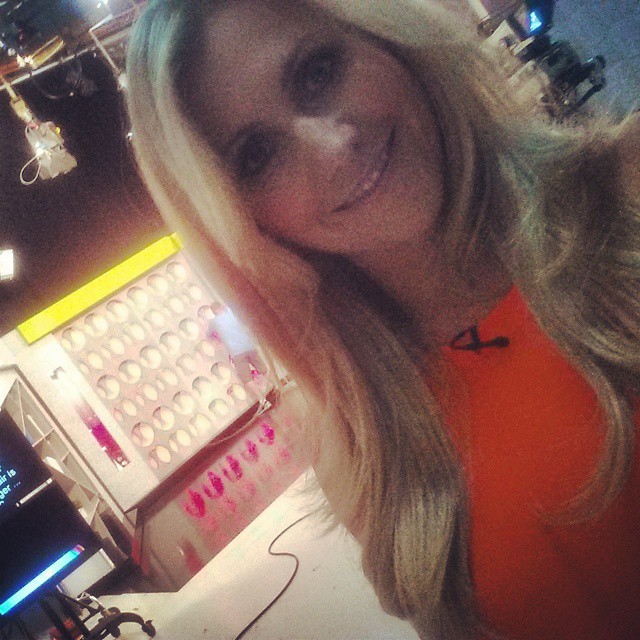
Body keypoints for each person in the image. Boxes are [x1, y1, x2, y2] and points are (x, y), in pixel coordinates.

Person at [125, 1, 640, 638]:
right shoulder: (361, 444)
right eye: (256, 155)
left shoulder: (626, 191)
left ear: (383, 35)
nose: (333, 146)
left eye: (317, 71)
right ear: (242, 219)